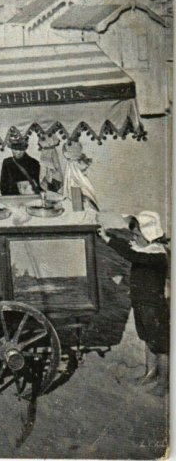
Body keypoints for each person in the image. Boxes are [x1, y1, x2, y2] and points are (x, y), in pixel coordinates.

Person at [101, 212, 169, 396]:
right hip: (141, 303)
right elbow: (133, 251)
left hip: (153, 307)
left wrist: (109, 240)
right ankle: (150, 373)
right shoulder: (145, 250)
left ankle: (164, 383)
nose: (134, 237)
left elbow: (132, 255)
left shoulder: (156, 256)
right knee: (148, 339)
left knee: (161, 345)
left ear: (149, 236)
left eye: (137, 235)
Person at [62, 141, 98, 210]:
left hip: (76, 175)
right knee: (80, 189)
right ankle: (81, 206)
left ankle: (84, 205)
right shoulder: (74, 161)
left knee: (83, 189)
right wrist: (87, 162)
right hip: (76, 176)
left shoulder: (72, 160)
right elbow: (82, 167)